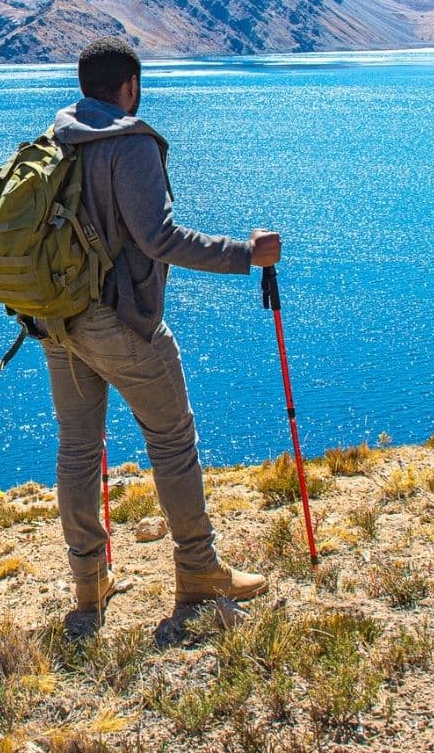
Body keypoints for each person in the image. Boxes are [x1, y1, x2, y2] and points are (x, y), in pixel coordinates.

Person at [37, 36, 281, 625]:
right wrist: (246, 254)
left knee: (77, 451)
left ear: (83, 85)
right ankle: (198, 573)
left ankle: (90, 589)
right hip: (120, 321)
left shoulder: (56, 139)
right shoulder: (131, 142)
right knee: (172, 441)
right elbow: (159, 239)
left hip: (56, 319)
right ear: (130, 87)